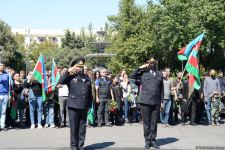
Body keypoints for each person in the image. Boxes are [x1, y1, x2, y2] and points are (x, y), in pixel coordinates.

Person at [59, 57, 92, 150]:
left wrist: (89, 105)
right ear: (74, 67)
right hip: (73, 105)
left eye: (82, 66)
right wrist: (68, 71)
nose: (80, 68)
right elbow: (60, 81)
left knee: (82, 127)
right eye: (78, 66)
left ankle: (80, 146)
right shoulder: (70, 77)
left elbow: (90, 93)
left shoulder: (87, 78)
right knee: (74, 127)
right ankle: (74, 146)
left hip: (84, 105)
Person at [130, 57, 163, 149]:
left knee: (154, 122)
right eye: (150, 63)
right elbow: (132, 76)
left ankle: (153, 140)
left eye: (153, 63)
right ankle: (147, 141)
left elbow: (161, 89)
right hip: (145, 101)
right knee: (146, 122)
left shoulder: (159, 74)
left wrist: (162, 102)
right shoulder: (143, 73)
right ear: (147, 64)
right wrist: (141, 67)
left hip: (156, 101)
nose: (152, 64)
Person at [0, 58, 9, 131]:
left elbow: (7, 82)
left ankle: (2, 125)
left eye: (3, 65)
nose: (2, 66)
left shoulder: (6, 74)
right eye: (0, 65)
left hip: (5, 94)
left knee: (3, 111)